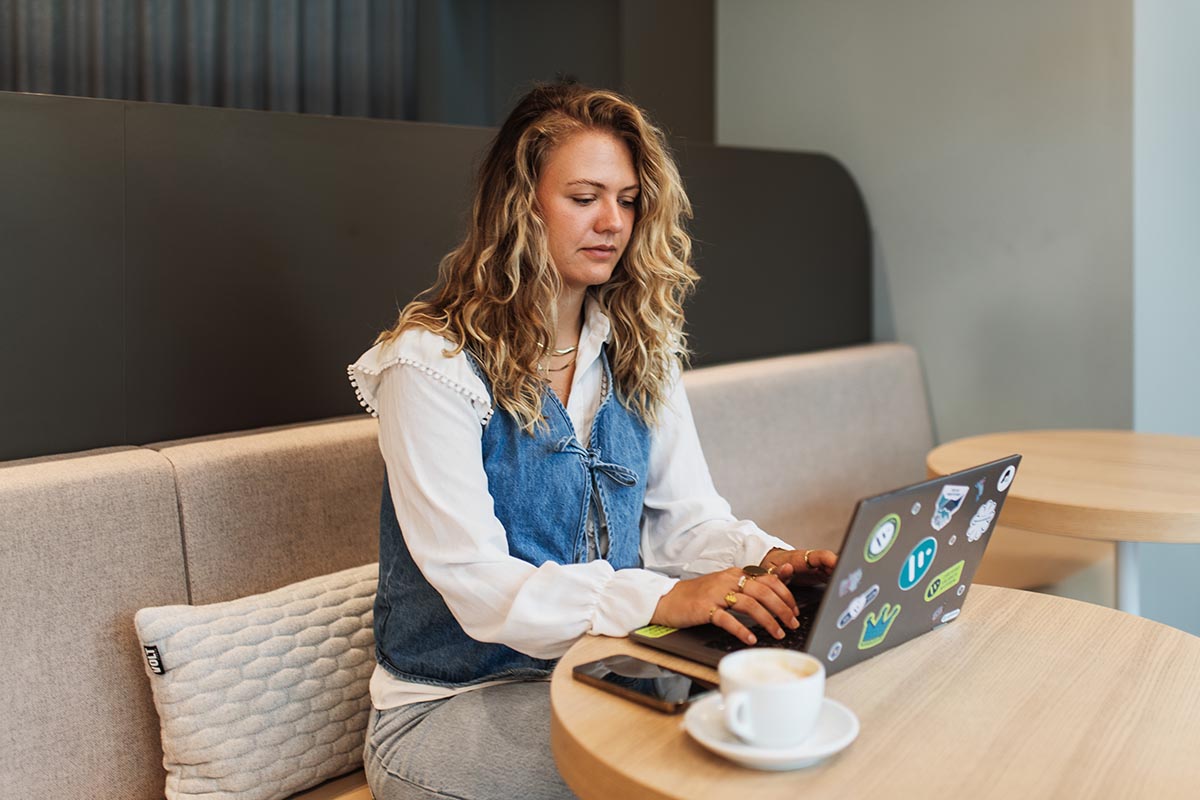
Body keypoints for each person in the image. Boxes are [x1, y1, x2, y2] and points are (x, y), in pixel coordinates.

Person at [347, 81, 838, 800]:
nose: (613, 221)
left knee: (778, 730)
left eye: (628, 199)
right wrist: (665, 602)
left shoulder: (642, 349)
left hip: (600, 671)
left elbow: (686, 523)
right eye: (584, 198)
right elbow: (478, 585)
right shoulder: (430, 365)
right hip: (445, 710)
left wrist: (764, 560)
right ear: (520, 205)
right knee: (696, 770)